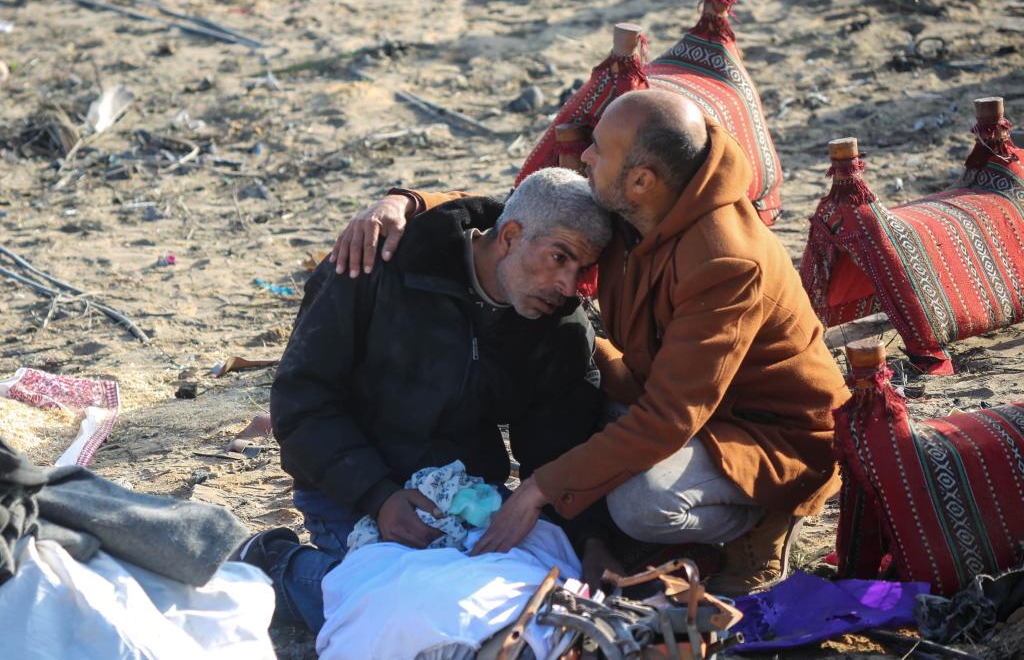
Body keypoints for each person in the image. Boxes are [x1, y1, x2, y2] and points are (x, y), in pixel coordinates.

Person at [331, 89, 850, 595]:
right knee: (574, 392)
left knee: (640, 505)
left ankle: (759, 522)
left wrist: (535, 492)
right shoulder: (639, 203)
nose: (585, 156)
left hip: (764, 436)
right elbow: (522, 211)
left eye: (598, 150)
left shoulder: (725, 262)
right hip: (667, 392)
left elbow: (672, 417)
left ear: (642, 179)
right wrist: (407, 201)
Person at [254, 167, 611, 632]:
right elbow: (301, 402)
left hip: (466, 495)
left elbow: (561, 446)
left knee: (524, 608)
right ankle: (274, 566)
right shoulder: (378, 262)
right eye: (559, 258)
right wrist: (378, 496)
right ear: (509, 236)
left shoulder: (559, 326)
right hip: (350, 489)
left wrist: (593, 542)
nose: (568, 285)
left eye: (580, 270)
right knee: (399, 614)